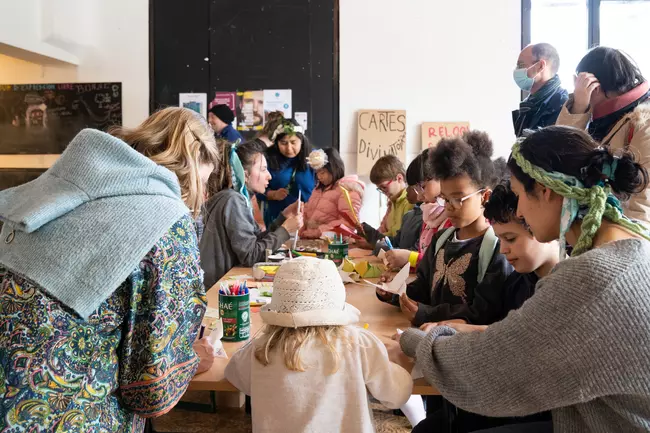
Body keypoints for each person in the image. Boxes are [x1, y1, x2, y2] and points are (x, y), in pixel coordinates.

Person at [393, 125, 650, 433]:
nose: (520, 211)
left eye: (517, 195)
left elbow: (491, 367)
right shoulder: (636, 245)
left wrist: (412, 341)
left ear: (544, 191)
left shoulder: (590, 278)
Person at [0, 107, 220, 432]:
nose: (202, 192)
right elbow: (151, 388)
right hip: (65, 415)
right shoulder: (165, 219)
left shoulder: (43, 194)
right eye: (205, 178)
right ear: (195, 159)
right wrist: (190, 361)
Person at [412, 182, 557, 433]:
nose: (503, 249)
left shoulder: (563, 287)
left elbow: (516, 343)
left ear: (539, 225)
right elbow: (499, 330)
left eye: (510, 238)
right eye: (499, 238)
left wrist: (464, 330)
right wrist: (462, 326)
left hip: (540, 408)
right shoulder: (517, 282)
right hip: (509, 395)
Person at [225, 257, 413, 433]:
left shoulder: (261, 348)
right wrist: (402, 362)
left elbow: (234, 375)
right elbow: (396, 396)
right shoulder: (360, 344)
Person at [378, 131, 512, 327]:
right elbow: (424, 286)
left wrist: (427, 314)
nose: (449, 207)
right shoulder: (442, 238)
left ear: (484, 197)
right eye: (446, 198)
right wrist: (396, 292)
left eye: (459, 199)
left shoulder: (495, 248)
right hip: (428, 336)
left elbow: (482, 312)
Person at [556, 46, 650, 224]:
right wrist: (577, 108)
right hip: (605, 228)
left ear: (595, 88)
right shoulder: (604, 119)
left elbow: (644, 202)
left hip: (626, 236)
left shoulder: (643, 122)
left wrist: (628, 245)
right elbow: (558, 155)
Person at [200, 140, 304, 288]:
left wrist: (283, 218)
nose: (269, 176)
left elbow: (254, 241)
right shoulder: (233, 200)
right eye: (263, 169)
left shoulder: (234, 197)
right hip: (220, 288)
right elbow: (251, 255)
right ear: (246, 175)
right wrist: (286, 230)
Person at [377, 149, 451, 270]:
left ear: (441, 178)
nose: (419, 196)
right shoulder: (429, 215)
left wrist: (409, 258)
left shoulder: (452, 219)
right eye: (416, 189)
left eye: (422, 187)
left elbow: (442, 265)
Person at [258, 119, 315, 227]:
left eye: (293, 142)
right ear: (276, 143)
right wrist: (272, 194)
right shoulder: (267, 159)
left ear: (301, 141)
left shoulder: (314, 159)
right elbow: (254, 189)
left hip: (309, 220)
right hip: (277, 220)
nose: (289, 148)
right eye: (283, 143)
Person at [300, 148, 365, 239]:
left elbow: (348, 223)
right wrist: (301, 229)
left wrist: (318, 232)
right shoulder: (318, 189)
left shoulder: (348, 190)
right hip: (313, 241)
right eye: (316, 173)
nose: (319, 177)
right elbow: (307, 213)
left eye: (322, 172)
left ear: (334, 168)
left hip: (333, 244)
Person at [512, 43, 569, 137]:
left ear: (540, 66)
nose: (516, 70)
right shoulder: (529, 104)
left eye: (521, 65)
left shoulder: (563, 106)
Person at [366, 155, 415, 238]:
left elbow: (400, 240)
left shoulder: (410, 202)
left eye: (384, 187)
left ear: (399, 178)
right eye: (380, 189)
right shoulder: (393, 202)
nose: (383, 192)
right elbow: (391, 234)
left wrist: (373, 241)